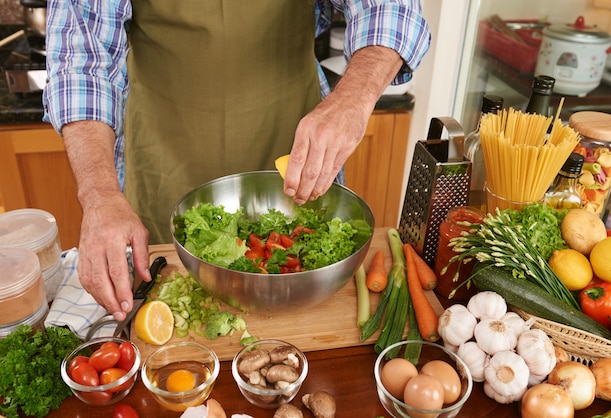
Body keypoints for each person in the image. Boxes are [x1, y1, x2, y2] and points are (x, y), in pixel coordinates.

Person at [43, 0, 431, 322]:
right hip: (164, 143)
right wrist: (99, 195)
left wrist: (351, 102)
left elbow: (390, 8)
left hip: (289, 120)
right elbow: (81, 60)